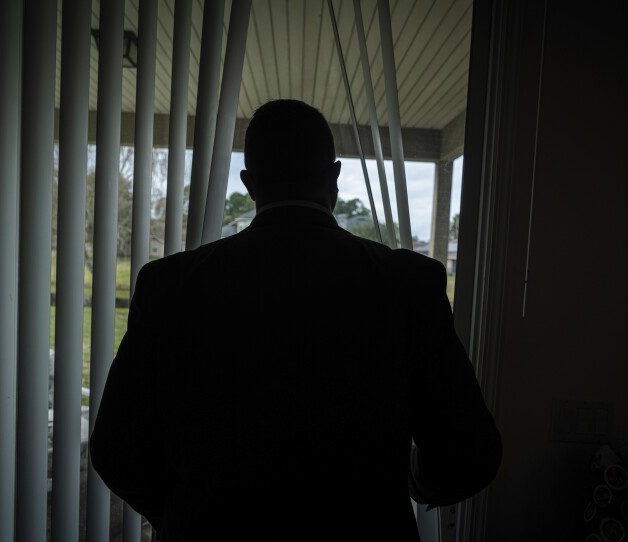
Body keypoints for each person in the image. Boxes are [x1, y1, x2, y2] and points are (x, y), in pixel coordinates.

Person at [89, 99, 502, 541]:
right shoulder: (409, 285)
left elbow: (117, 451)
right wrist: (408, 481)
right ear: (335, 177)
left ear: (249, 184)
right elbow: (470, 453)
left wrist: (180, 514)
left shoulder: (168, 287)